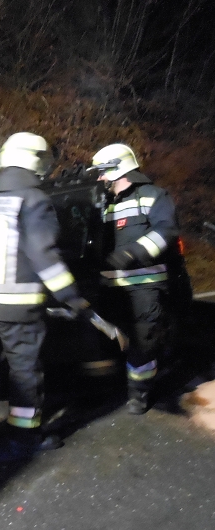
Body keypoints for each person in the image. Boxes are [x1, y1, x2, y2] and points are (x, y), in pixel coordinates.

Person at [0, 133, 90, 453]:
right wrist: (71, 296)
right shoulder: (33, 199)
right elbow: (43, 255)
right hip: (18, 306)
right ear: (34, 159)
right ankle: (24, 435)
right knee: (24, 372)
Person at [90, 143, 179, 414]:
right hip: (110, 288)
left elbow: (167, 231)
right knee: (112, 341)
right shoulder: (103, 203)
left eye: (103, 172)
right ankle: (115, 386)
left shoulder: (153, 196)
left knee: (143, 343)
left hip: (144, 287)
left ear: (118, 169)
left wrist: (133, 253)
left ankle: (139, 394)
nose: (99, 178)